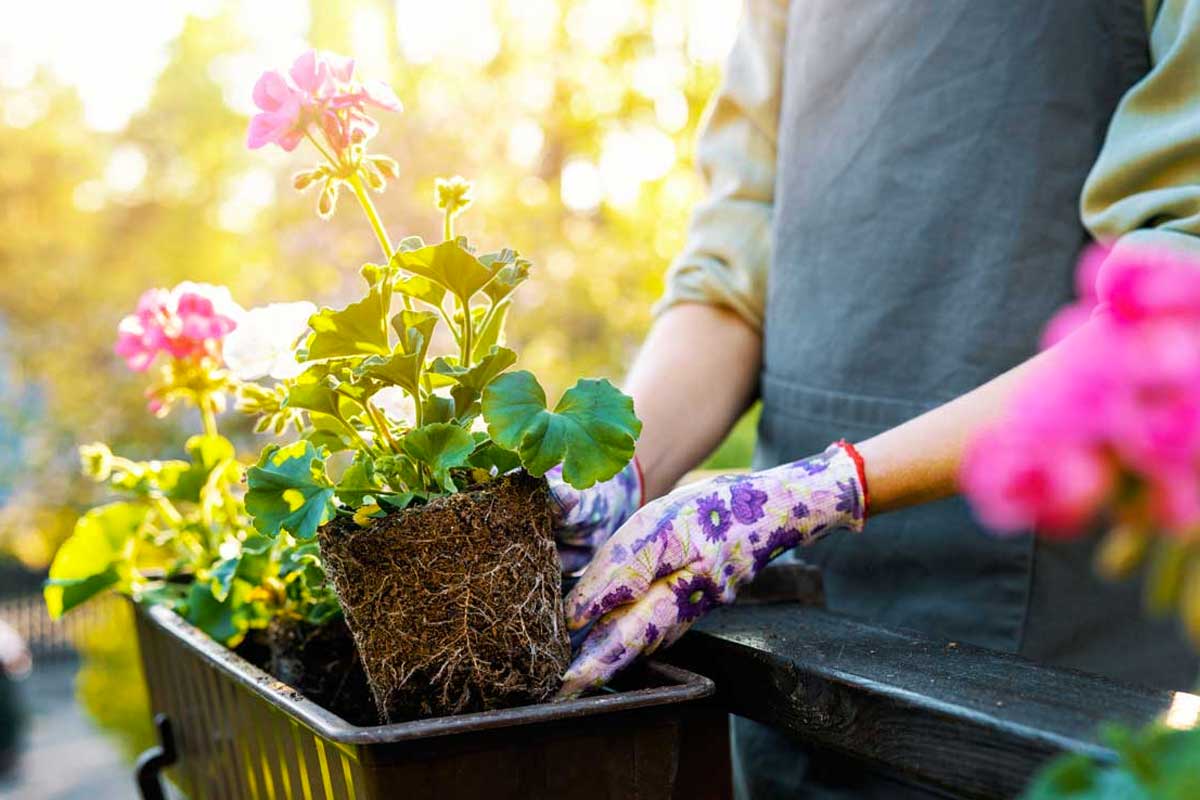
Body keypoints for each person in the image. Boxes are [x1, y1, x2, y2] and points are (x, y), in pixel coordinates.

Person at [547, 0, 1200, 796]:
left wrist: (827, 487)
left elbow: (1173, 299)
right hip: (790, 621)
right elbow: (730, 274)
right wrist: (619, 472)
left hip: (1042, 654)